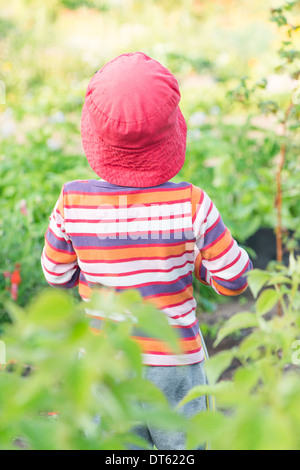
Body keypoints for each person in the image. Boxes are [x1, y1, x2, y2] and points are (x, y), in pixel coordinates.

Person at [41, 52, 253, 450]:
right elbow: (234, 279)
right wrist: (197, 266)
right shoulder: (191, 204)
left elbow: (56, 274)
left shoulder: (72, 202)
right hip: (175, 364)